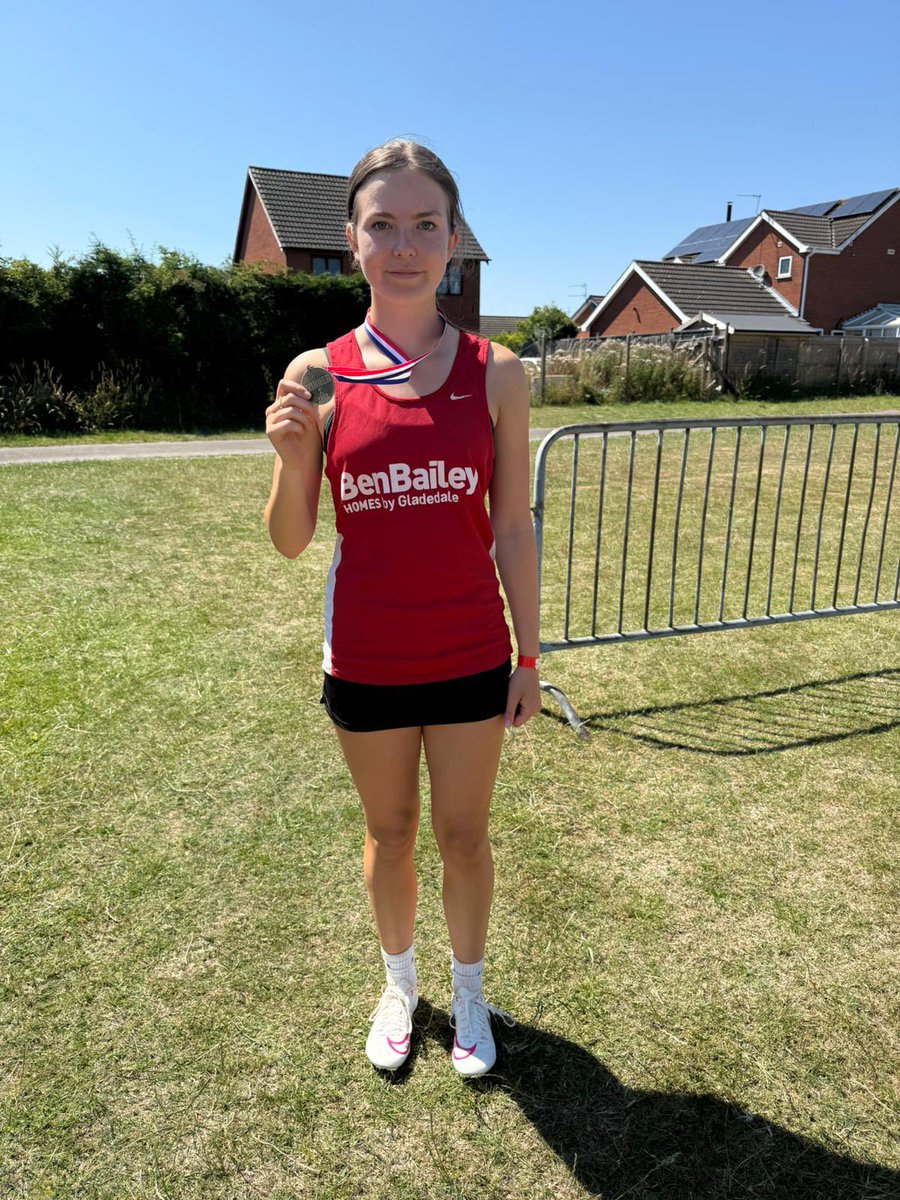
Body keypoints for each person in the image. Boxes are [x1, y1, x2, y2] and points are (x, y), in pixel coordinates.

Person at [263, 139, 541, 1077]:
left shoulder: (499, 372)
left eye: (427, 223)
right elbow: (293, 538)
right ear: (351, 241)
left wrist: (530, 659)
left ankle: (468, 992)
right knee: (389, 835)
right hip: (368, 657)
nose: (406, 244)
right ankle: (398, 984)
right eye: (383, 225)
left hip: (469, 652)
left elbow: (512, 527)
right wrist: (297, 458)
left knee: (464, 834)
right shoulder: (319, 372)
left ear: (455, 239)